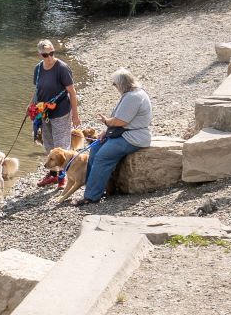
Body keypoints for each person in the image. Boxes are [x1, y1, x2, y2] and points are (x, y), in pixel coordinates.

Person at [69, 70, 153, 206]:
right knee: (95, 149)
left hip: (133, 137)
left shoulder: (133, 97)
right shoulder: (130, 94)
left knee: (103, 156)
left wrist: (107, 121)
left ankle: (91, 197)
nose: (114, 87)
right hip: (123, 133)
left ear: (122, 84)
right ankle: (93, 187)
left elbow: (120, 121)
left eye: (115, 84)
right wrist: (105, 132)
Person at [30, 39, 80, 185]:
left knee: (61, 146)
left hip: (61, 112)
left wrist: (75, 116)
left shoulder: (62, 68)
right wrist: (31, 106)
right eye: (46, 55)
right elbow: (37, 90)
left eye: (52, 53)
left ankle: (63, 177)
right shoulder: (38, 69)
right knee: (49, 144)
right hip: (44, 113)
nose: (50, 57)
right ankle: (53, 174)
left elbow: (72, 92)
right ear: (40, 55)